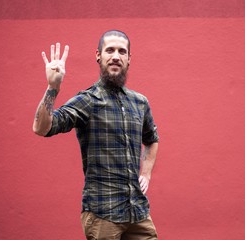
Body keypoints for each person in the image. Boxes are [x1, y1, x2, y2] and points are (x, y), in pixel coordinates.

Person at [33, 30, 159, 240]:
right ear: (98, 56)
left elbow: (152, 139)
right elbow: (42, 128)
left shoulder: (140, 102)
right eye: (110, 50)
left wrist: (146, 173)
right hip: (102, 214)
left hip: (137, 213)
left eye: (122, 51)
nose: (116, 56)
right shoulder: (88, 100)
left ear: (129, 59)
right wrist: (52, 87)